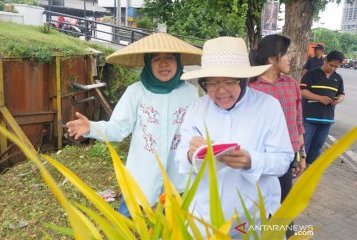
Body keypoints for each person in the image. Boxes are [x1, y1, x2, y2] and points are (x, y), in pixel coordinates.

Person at [66, 33, 202, 217]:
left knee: (172, 228)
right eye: (156, 59)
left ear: (178, 61)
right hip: (142, 176)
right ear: (147, 63)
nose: (164, 64)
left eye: (170, 58)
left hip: (177, 176)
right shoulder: (136, 92)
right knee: (127, 223)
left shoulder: (190, 93)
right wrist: (91, 128)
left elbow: (197, 131)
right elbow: (118, 128)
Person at [175, 36, 294, 238]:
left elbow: (283, 160)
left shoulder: (268, 106)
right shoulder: (197, 107)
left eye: (229, 82)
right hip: (205, 215)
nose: (220, 91)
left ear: (244, 79)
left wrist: (251, 160)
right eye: (211, 84)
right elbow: (179, 156)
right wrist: (190, 154)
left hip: (252, 215)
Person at [249, 34, 306, 238]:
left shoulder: (292, 85)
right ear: (272, 59)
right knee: (256, 209)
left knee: (284, 208)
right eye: (285, 53)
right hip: (258, 160)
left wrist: (301, 155)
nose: (289, 58)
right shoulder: (249, 88)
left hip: (286, 160)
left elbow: (298, 124)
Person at [300, 50, 345, 166]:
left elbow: (341, 94)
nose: (333, 68)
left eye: (336, 66)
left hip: (327, 119)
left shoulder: (338, 78)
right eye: (331, 65)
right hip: (309, 118)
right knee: (305, 144)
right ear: (325, 60)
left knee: (318, 145)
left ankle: (310, 169)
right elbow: (303, 91)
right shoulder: (311, 74)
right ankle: (298, 167)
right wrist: (319, 98)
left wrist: (339, 99)